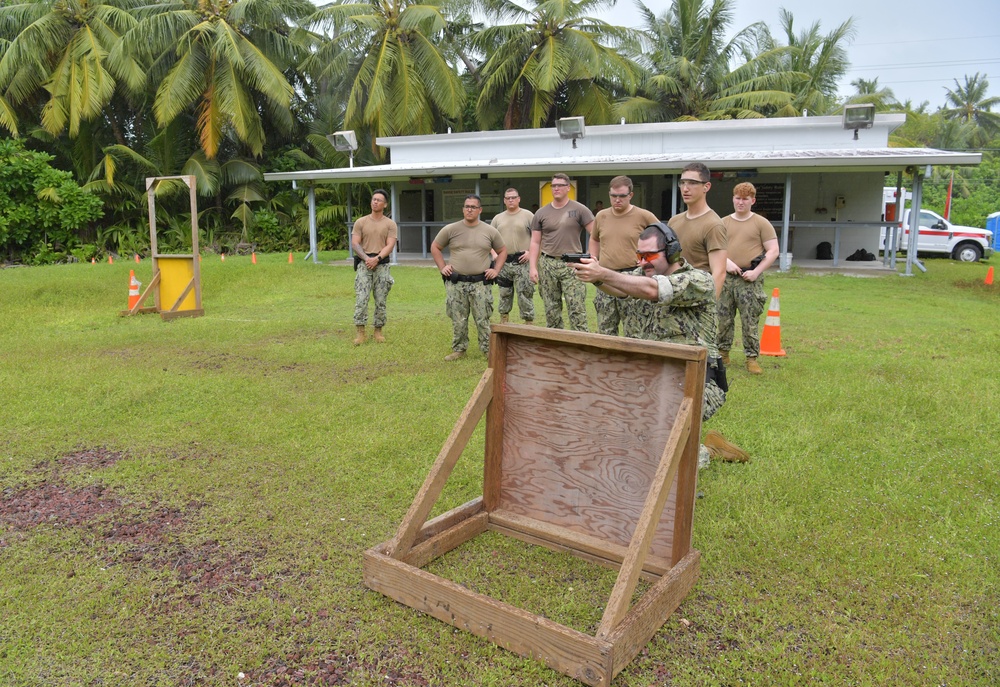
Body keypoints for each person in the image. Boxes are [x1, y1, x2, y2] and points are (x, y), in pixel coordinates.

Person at [570, 222, 750, 467]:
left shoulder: (698, 280)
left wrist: (602, 273)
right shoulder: (643, 275)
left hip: (698, 382)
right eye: (639, 256)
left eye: (650, 256)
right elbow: (620, 287)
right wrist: (595, 277)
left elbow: (654, 291)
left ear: (672, 252)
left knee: (667, 460)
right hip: (653, 378)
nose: (643, 262)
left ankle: (707, 450)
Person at [431, 195, 507, 361]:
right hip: (457, 282)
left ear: (480, 210)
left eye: (473, 207)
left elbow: (502, 251)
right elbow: (435, 247)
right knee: (458, 318)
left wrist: (496, 270)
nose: (469, 209)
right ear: (463, 209)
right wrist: (442, 267)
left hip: (480, 283)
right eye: (467, 206)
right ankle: (459, 349)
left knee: (482, 318)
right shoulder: (451, 229)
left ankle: (488, 350)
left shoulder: (489, 231)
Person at [720, 182, 780, 375]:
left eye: (745, 199)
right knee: (723, 318)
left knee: (750, 319)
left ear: (752, 201)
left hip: (749, 279)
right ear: (733, 199)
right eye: (737, 198)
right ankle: (722, 353)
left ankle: (751, 358)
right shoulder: (722, 223)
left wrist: (756, 272)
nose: (741, 202)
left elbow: (773, 251)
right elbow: (713, 248)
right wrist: (726, 262)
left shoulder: (761, 223)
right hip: (727, 277)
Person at [588, 175, 658, 336]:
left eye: (622, 196)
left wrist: (647, 261)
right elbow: (594, 238)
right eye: (613, 196)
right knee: (605, 328)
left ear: (631, 195)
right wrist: (593, 259)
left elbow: (663, 240)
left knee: (634, 329)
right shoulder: (602, 216)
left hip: (633, 276)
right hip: (605, 276)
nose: (617, 200)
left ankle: (634, 360)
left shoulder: (644, 216)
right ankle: (607, 360)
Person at [528, 173, 595, 331]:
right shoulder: (541, 213)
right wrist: (533, 267)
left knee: (576, 307)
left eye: (559, 185)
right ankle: (556, 345)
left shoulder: (579, 210)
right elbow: (535, 241)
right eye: (553, 185)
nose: (556, 188)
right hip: (548, 263)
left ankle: (580, 344)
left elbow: (596, 234)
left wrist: (590, 257)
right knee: (551, 309)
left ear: (567, 188)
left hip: (572, 264)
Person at [667, 163, 727, 298]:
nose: (685, 188)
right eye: (682, 183)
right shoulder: (674, 221)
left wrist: (708, 307)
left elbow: (719, 273)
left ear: (706, 187)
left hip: (698, 298)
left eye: (692, 183)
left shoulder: (713, 225)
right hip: (674, 296)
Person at [351, 189, 397, 345]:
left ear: (385, 204)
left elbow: (390, 245)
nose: (375, 202)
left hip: (381, 264)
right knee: (361, 298)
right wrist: (366, 258)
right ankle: (360, 332)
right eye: (373, 199)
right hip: (364, 264)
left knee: (381, 299)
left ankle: (378, 330)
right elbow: (355, 243)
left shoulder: (390, 224)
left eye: (379, 200)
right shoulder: (361, 222)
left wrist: (377, 258)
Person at [490, 188, 535, 324]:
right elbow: (489, 239)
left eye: (513, 197)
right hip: (503, 263)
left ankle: (528, 325)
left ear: (519, 199)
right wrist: (494, 254)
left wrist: (530, 253)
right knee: (504, 293)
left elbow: (537, 238)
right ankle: (504, 323)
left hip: (522, 261)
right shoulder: (498, 218)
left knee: (525, 294)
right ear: (504, 200)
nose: (511, 200)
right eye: (508, 198)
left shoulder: (528, 216)